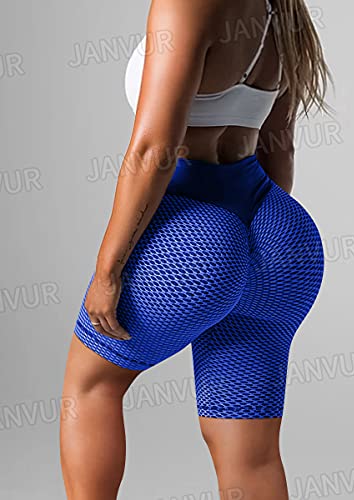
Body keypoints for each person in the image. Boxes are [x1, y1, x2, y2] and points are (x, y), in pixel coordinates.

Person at [60, 0, 334, 498]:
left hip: (194, 234)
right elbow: (280, 147)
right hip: (278, 234)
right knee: (251, 452)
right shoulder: (283, 10)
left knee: (90, 387)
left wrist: (108, 271)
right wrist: (250, 267)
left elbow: (154, 151)